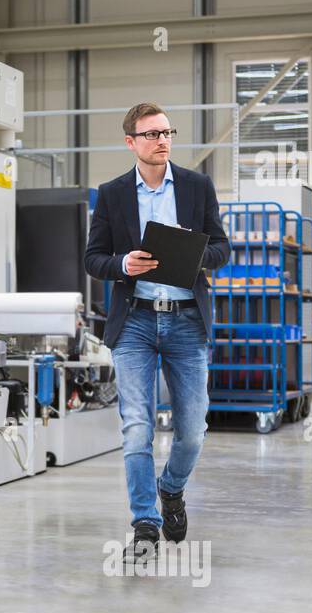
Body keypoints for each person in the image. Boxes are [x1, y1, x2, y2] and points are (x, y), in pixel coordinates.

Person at [84, 103, 231, 562]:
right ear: (131, 142)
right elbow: (93, 259)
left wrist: (193, 253)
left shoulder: (196, 186)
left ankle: (172, 490)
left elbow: (223, 248)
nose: (162, 140)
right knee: (137, 428)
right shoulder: (111, 194)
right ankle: (145, 521)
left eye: (167, 132)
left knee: (192, 430)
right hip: (136, 320)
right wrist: (123, 264)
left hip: (187, 320)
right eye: (151, 134)